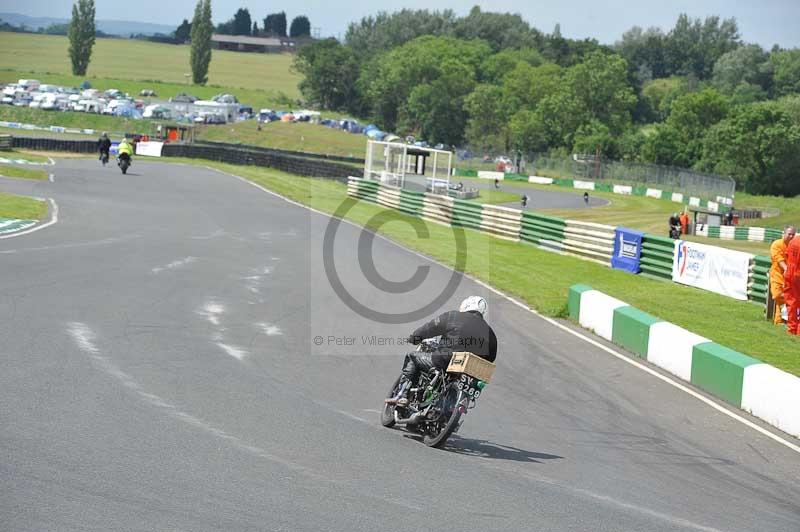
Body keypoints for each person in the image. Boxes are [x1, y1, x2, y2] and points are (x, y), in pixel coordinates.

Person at [386, 296, 497, 407]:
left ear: (466, 305)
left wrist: (415, 337)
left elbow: (430, 328)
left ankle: (402, 395)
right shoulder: (491, 334)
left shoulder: (453, 316)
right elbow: (491, 358)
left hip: (444, 360)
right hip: (469, 371)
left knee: (412, 356)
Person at [770, 226, 796, 325]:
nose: (791, 236)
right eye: (789, 234)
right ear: (784, 234)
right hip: (777, 274)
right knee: (777, 295)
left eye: (793, 234)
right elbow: (778, 258)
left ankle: (779, 321)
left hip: (791, 277)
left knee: (781, 300)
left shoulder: (795, 246)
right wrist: (786, 269)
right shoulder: (776, 244)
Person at [784, 232, 800, 335]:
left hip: (790, 273)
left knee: (792, 303)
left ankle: (792, 329)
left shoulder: (794, 240)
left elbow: (787, 255)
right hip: (797, 272)